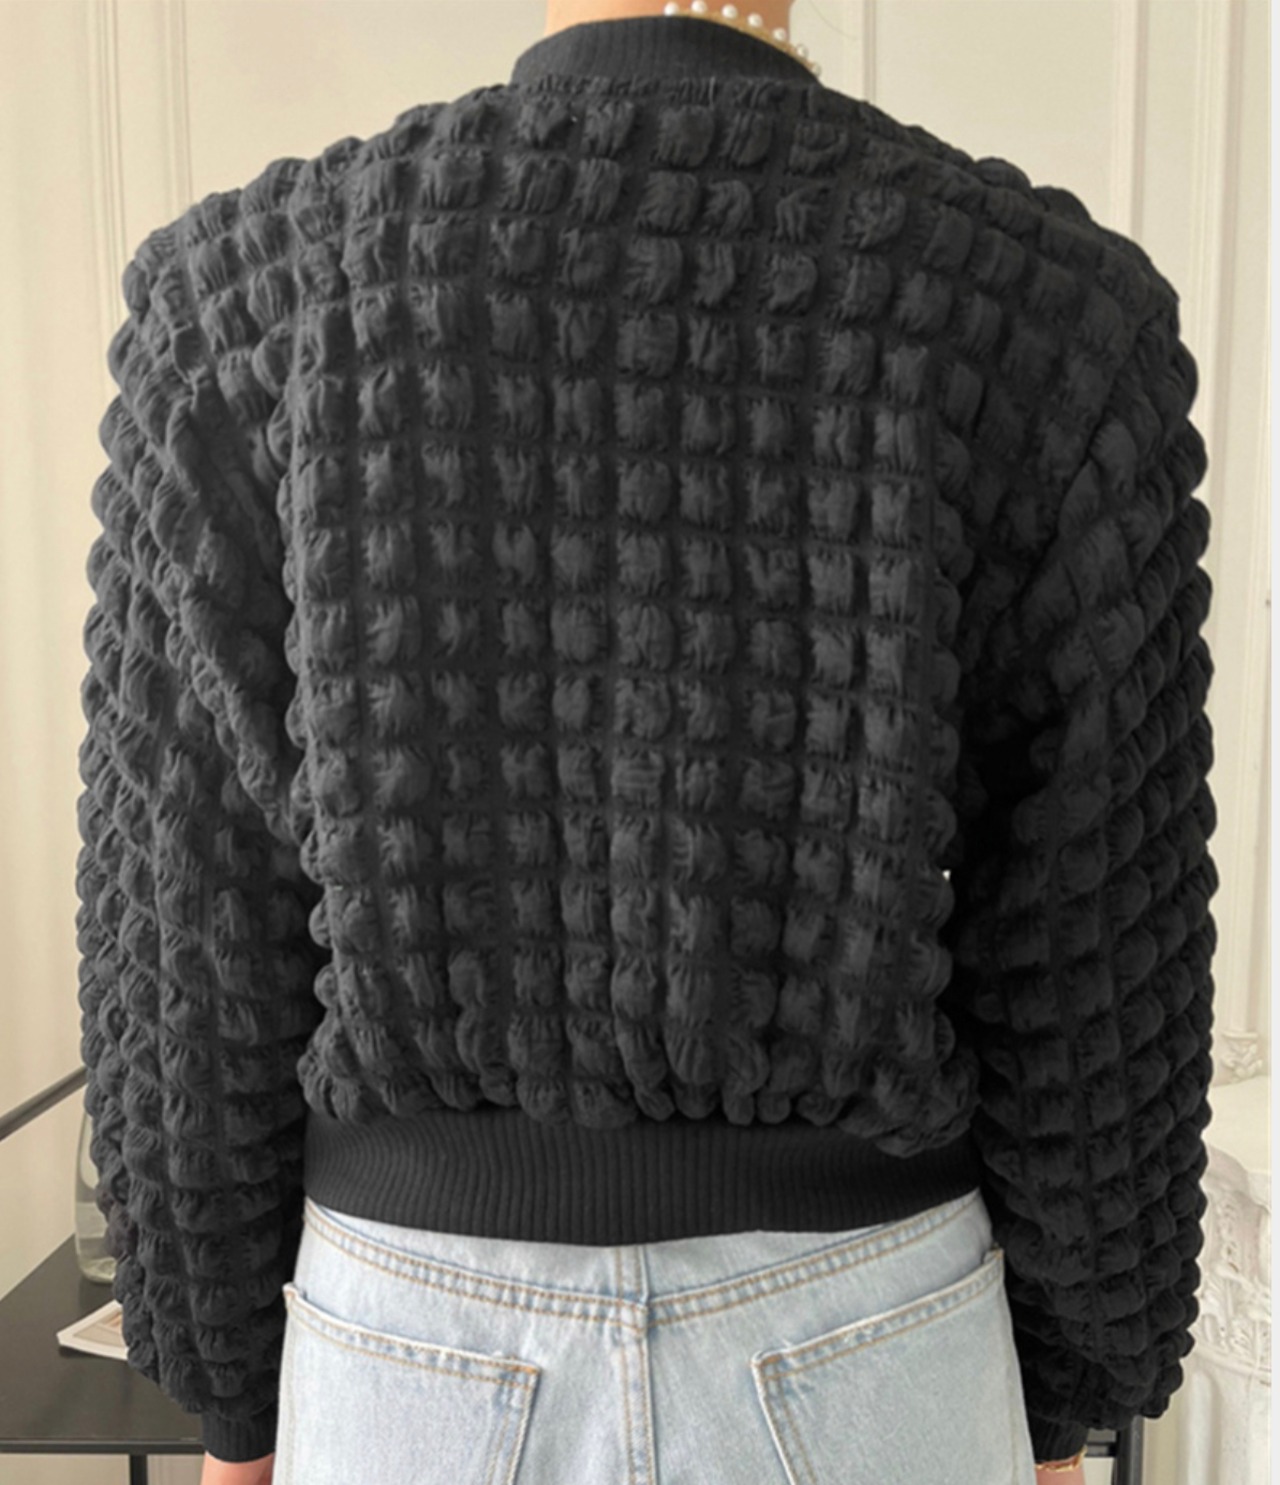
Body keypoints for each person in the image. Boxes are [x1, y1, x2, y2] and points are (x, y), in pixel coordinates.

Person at [74, 1, 1218, 1483]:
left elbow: (182, 939)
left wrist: (232, 1401)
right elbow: (1098, 951)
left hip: (410, 1349)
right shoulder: (1050, 311)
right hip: (875, 1339)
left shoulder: (245, 301)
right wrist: (1064, 1395)